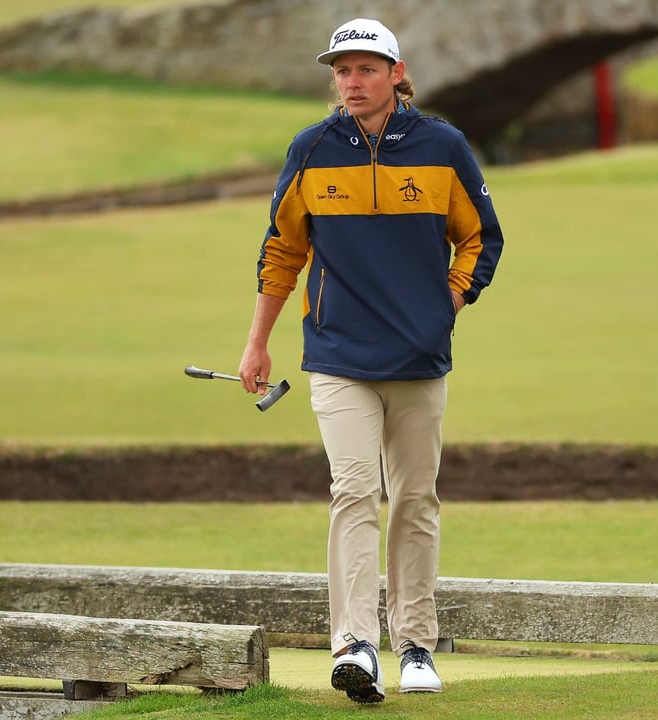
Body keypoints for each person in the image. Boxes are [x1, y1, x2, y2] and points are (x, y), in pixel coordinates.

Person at [237, 17, 504, 704]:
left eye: (365, 69)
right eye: (341, 70)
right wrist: (257, 340)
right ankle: (355, 645)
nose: (351, 81)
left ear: (395, 73)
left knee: (415, 499)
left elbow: (481, 239)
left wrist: (445, 303)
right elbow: (282, 251)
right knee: (354, 491)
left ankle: (415, 644)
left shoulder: (443, 146)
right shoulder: (313, 149)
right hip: (338, 353)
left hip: (419, 357)